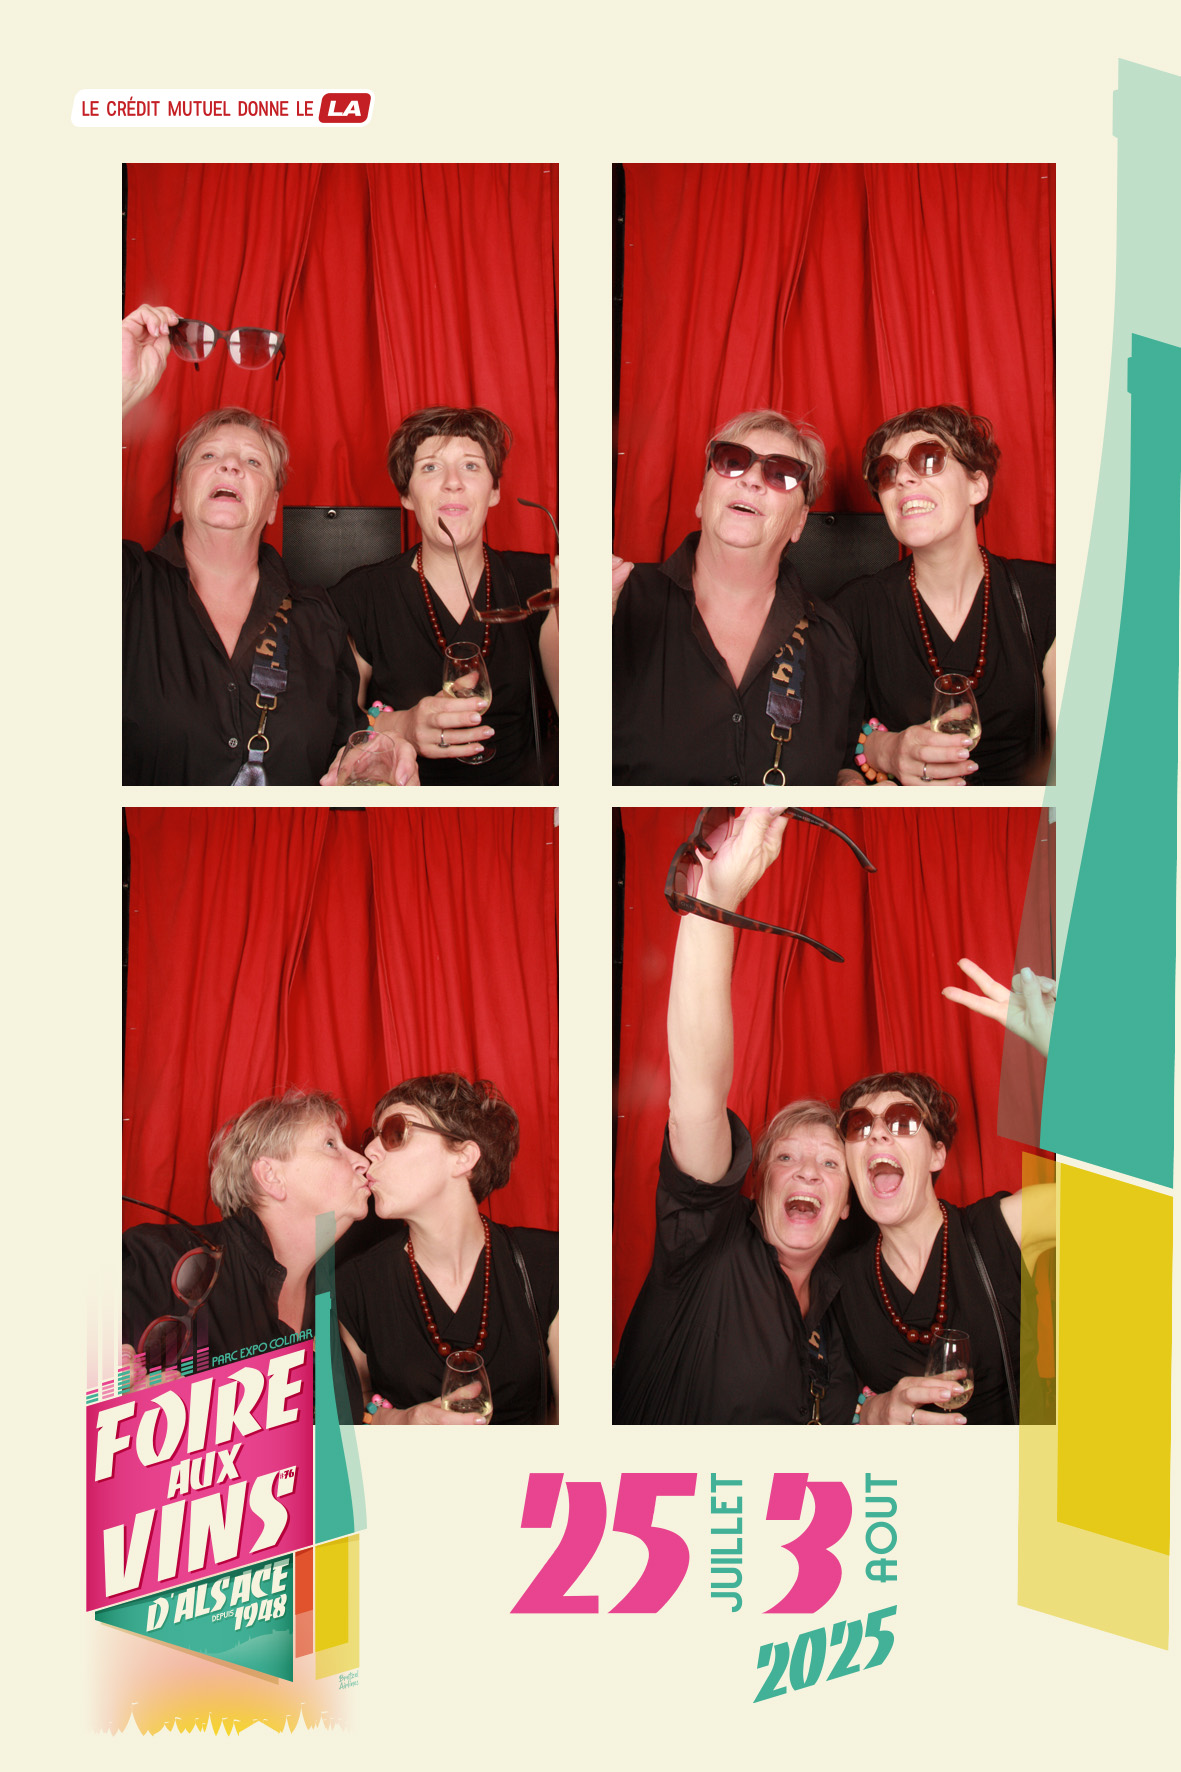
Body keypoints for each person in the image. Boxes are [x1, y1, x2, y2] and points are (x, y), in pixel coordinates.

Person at [613, 808, 859, 1424]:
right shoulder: (706, 1248)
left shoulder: (842, 1310)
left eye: (831, 1163)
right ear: (759, 1179)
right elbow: (697, 1095)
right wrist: (715, 903)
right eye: (787, 1156)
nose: (808, 1172)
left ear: (847, 1203)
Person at [122, 303, 418, 787]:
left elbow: (343, 749)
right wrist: (118, 389)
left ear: (273, 506)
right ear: (177, 495)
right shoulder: (128, 585)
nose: (230, 466)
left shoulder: (317, 617)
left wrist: (375, 755)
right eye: (209, 456)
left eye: (253, 462)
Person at [612, 411, 860, 786]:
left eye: (782, 474)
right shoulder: (616, 600)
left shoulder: (834, 639)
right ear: (701, 497)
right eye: (732, 461)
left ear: (799, 522)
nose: (751, 480)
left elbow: (843, 764)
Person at [329, 408, 559, 785]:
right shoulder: (360, 595)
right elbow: (335, 722)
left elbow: (584, 717)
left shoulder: (540, 581)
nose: (453, 483)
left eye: (470, 466)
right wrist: (402, 725)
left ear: (494, 491)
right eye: (431, 467)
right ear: (406, 494)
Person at [833, 405, 1055, 787]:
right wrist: (876, 756)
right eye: (887, 471)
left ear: (977, 486)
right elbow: (824, 744)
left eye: (929, 459)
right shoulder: (854, 609)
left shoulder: (1048, 594)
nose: (902, 478)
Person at [832, 1050, 1056, 1425]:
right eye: (859, 1126)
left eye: (903, 1121)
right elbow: (816, 1400)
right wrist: (868, 1411)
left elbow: (1139, 1196)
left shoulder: (1004, 1226)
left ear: (937, 1155)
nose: (878, 1134)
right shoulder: (838, 1280)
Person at [122, 1091, 373, 1420]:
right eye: (330, 1144)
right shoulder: (158, 1261)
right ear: (271, 1176)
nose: (363, 1161)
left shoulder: (329, 1301)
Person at [337, 1074, 558, 1425]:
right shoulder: (356, 1284)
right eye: (372, 1138)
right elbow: (355, 1407)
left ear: (463, 1157)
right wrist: (401, 1420)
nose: (370, 1152)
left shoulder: (550, 1263)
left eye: (395, 1132)